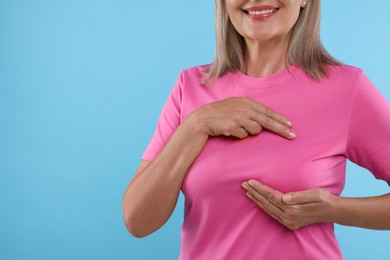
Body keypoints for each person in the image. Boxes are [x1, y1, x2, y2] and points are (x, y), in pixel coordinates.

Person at [123, 0, 390, 259]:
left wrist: (334, 210)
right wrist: (196, 125)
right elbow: (138, 221)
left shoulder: (346, 88)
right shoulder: (190, 86)